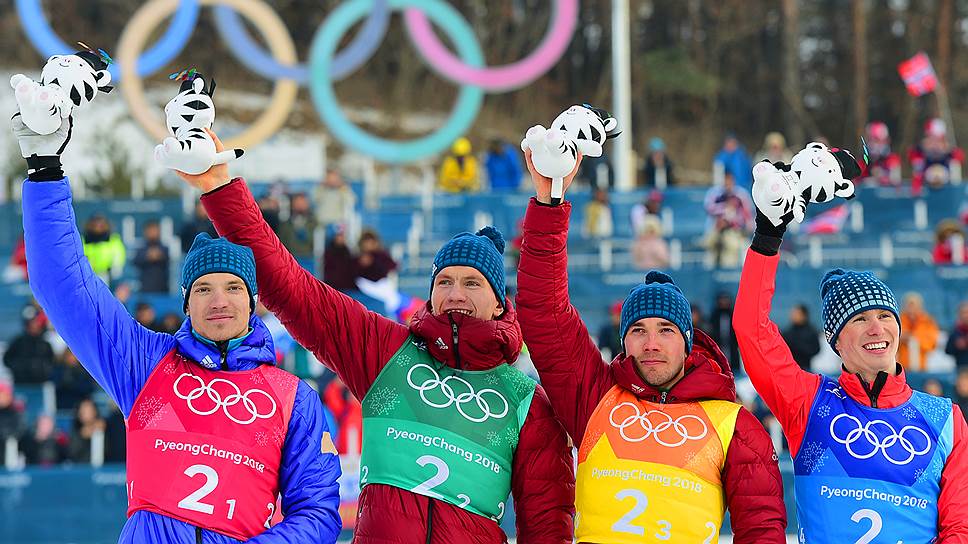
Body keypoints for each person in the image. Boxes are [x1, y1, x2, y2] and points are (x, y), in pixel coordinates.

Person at [183, 130, 576, 542]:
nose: (455, 294)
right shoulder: (388, 352)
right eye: (443, 282)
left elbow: (548, 526)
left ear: (500, 303)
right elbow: (291, 289)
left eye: (472, 284)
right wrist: (220, 188)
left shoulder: (526, 404)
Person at [14, 113, 341, 543]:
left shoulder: (293, 397)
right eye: (203, 288)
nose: (219, 300)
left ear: (254, 301)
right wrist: (44, 170)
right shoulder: (146, 363)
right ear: (186, 302)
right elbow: (63, 285)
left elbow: (318, 514)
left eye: (233, 288)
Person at [516, 150, 787, 543]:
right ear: (623, 340)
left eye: (666, 330)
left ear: (688, 341)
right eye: (638, 331)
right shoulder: (594, 397)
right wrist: (548, 202)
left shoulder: (733, 424)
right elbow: (543, 311)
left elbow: (762, 529)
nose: (651, 343)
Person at [733, 183, 968, 542]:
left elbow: (959, 527)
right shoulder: (808, 401)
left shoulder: (945, 419)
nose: (877, 328)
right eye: (859, 320)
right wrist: (767, 237)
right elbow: (752, 330)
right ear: (837, 342)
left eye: (884, 316)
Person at [3, 305, 55, 384]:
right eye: (32, 323)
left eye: (37, 323)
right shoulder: (18, 342)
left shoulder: (45, 345)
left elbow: (51, 363)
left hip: (40, 385)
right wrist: (20, 367)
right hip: (21, 384)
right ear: (26, 325)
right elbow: (7, 360)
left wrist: (42, 369)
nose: (35, 326)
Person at [898, 292, 940, 372]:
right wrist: (900, 339)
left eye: (913, 304)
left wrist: (913, 338)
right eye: (909, 304)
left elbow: (932, 343)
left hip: (922, 367)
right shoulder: (898, 321)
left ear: (920, 306)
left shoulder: (928, 321)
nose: (911, 308)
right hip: (902, 367)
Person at [81, 213, 126, 285]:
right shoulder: (82, 240)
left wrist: (115, 270)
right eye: (95, 225)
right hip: (86, 276)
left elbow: (118, 257)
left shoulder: (113, 240)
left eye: (101, 225)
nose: (98, 228)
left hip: (107, 276)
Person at [133, 220, 171, 293]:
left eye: (154, 230)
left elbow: (167, 259)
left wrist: (158, 255)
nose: (152, 233)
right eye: (150, 230)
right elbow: (136, 261)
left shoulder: (165, 248)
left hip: (162, 288)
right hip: (145, 288)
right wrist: (147, 256)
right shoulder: (141, 249)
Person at [781, 303, 821, 371]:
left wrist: (798, 346)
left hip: (805, 368)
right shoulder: (787, 332)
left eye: (796, 314)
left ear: (804, 315)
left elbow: (816, 349)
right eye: (793, 313)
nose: (793, 316)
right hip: (789, 368)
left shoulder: (811, 331)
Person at [945, 301, 968, 369]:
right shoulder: (955, 331)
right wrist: (956, 345)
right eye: (963, 313)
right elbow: (948, 350)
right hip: (961, 368)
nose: (966, 315)